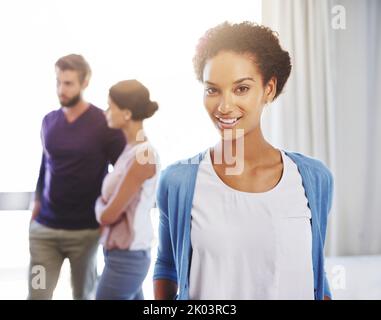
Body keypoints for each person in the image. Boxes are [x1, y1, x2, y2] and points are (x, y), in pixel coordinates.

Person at [153, 22, 333, 300]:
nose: (224, 106)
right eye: (213, 90)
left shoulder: (314, 179)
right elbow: (167, 267)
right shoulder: (177, 181)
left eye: (241, 89)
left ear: (269, 89)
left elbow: (315, 274)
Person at [28, 54, 126, 300]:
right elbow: (45, 166)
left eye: (68, 83)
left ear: (85, 82)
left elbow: (125, 171)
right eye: (58, 82)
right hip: (44, 232)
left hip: (86, 233)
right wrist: (36, 205)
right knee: (37, 294)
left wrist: (109, 215)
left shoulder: (104, 124)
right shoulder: (48, 122)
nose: (61, 89)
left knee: (84, 296)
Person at [95, 80, 160, 300]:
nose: (106, 112)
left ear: (126, 113)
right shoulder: (129, 149)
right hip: (119, 255)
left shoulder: (143, 155)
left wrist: (98, 206)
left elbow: (109, 214)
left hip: (128, 258)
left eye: (110, 106)